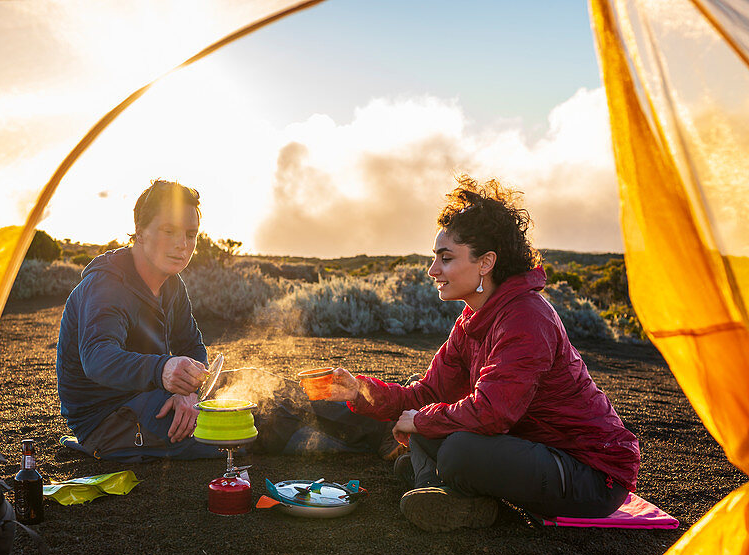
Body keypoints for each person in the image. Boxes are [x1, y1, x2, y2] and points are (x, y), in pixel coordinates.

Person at [322, 176, 640, 531]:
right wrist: (359, 391)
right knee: (430, 417)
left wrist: (423, 422)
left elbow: (492, 414)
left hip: (590, 475)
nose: (433, 270)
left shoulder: (527, 318)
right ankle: (442, 490)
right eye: (434, 258)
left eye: (446, 258)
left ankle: (438, 480)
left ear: (486, 262)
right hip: (532, 448)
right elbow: (426, 393)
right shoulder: (472, 320)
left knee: (458, 449)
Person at [57, 179, 399, 463]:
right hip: (110, 417)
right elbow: (98, 359)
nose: (182, 245)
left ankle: (386, 421)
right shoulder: (107, 285)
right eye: (169, 231)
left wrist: (190, 390)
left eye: (190, 234)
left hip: (156, 394)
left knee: (260, 384)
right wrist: (164, 372)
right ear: (140, 232)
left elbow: (192, 346)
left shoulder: (171, 283)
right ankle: (380, 443)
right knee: (247, 426)